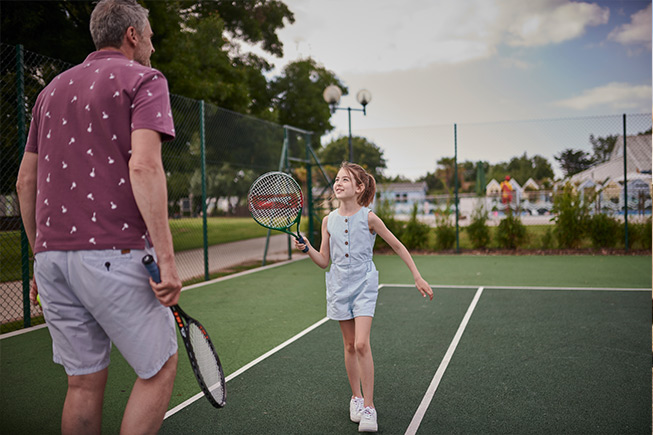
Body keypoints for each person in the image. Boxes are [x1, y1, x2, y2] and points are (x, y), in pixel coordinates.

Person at [15, 1, 181, 433]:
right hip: (114, 252)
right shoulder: (145, 79)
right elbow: (144, 167)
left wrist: (39, 256)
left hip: (52, 262)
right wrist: (166, 259)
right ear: (131, 35)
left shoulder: (49, 91)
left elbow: (24, 184)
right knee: (160, 368)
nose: (152, 45)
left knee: (82, 384)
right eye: (149, 35)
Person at [294, 162, 433, 433]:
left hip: (364, 284)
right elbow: (324, 261)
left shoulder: (369, 218)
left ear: (359, 187)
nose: (338, 183)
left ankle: (369, 407)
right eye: (336, 179)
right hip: (337, 284)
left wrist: (417, 275)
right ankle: (355, 398)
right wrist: (308, 248)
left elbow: (397, 244)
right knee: (348, 346)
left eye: (345, 179)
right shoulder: (327, 221)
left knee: (360, 344)